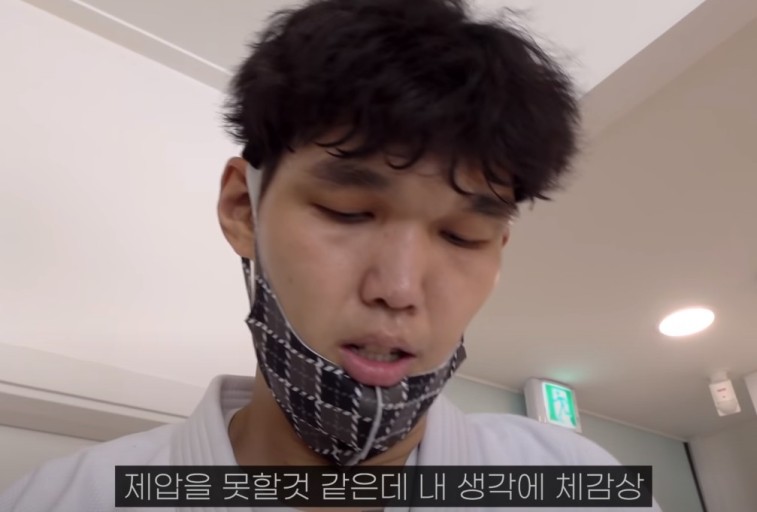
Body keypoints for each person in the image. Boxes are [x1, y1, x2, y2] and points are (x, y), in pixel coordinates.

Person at [1, 0, 662, 510]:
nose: (399, 288)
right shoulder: (61, 499)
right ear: (242, 209)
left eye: (462, 235)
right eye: (348, 212)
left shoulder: (575, 486)